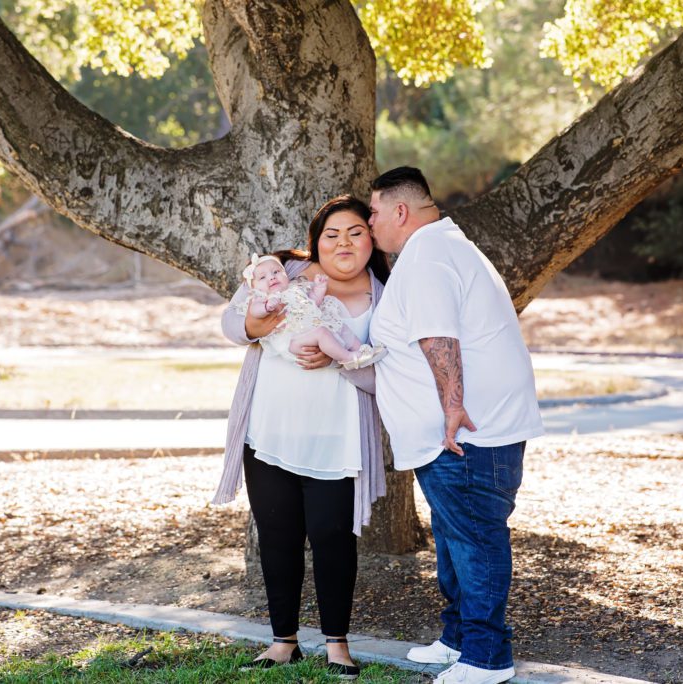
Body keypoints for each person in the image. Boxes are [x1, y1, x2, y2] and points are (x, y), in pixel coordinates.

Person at [367, 167, 544, 684]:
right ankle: (458, 639)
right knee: (453, 536)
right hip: (459, 434)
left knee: (476, 539)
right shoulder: (441, 248)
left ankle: (488, 658)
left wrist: (452, 408)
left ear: (401, 211)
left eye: (374, 213)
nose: (371, 224)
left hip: (466, 434)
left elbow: (438, 339)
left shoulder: (426, 256)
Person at [212, 195, 390, 680]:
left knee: (334, 537)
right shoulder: (285, 275)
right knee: (277, 534)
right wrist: (256, 322)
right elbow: (232, 323)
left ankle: (337, 644)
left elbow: (386, 377)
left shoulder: (386, 296)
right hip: (268, 432)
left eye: (355, 231)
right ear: (315, 243)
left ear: (371, 238)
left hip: (337, 441)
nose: (344, 242)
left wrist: (337, 358)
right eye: (331, 234)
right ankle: (282, 641)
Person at [241, 253, 387, 369]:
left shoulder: (295, 290)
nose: (271, 277)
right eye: (262, 277)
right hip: (292, 340)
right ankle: (347, 358)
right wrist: (266, 307)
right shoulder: (260, 299)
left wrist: (318, 289)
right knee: (322, 333)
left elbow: (311, 304)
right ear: (254, 288)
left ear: (285, 274)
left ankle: (362, 351)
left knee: (339, 327)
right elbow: (254, 312)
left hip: (307, 329)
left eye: (276, 272)